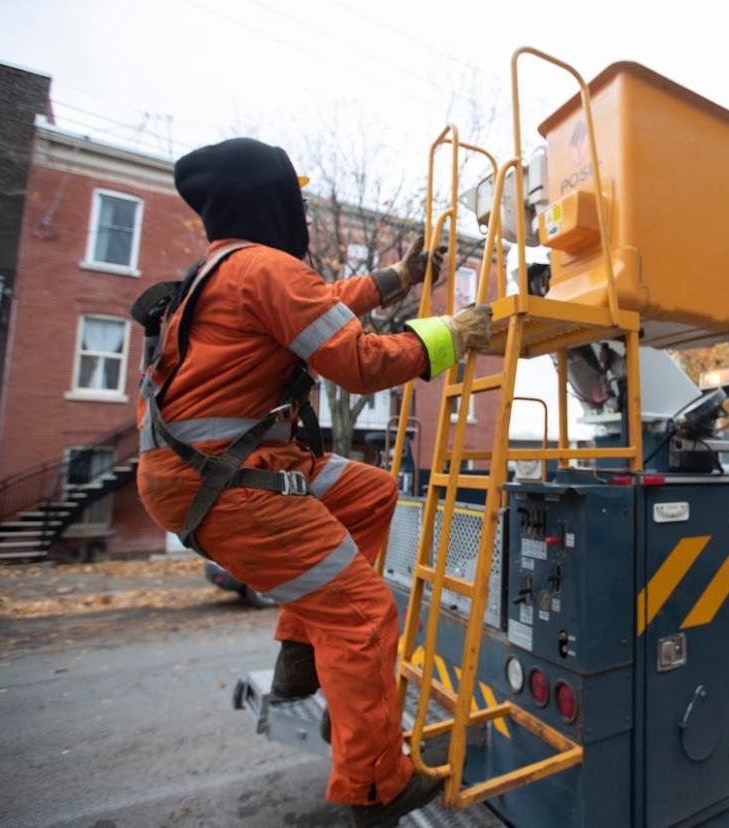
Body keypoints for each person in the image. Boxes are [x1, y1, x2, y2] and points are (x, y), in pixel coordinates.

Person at [133, 137, 492, 827]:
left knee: (371, 493)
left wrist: (398, 277)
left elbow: (321, 303)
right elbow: (357, 363)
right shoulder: (265, 268)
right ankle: (375, 784)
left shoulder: (227, 267)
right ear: (273, 199)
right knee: (361, 615)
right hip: (227, 478)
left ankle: (300, 652)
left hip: (217, 469)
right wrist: (452, 333)